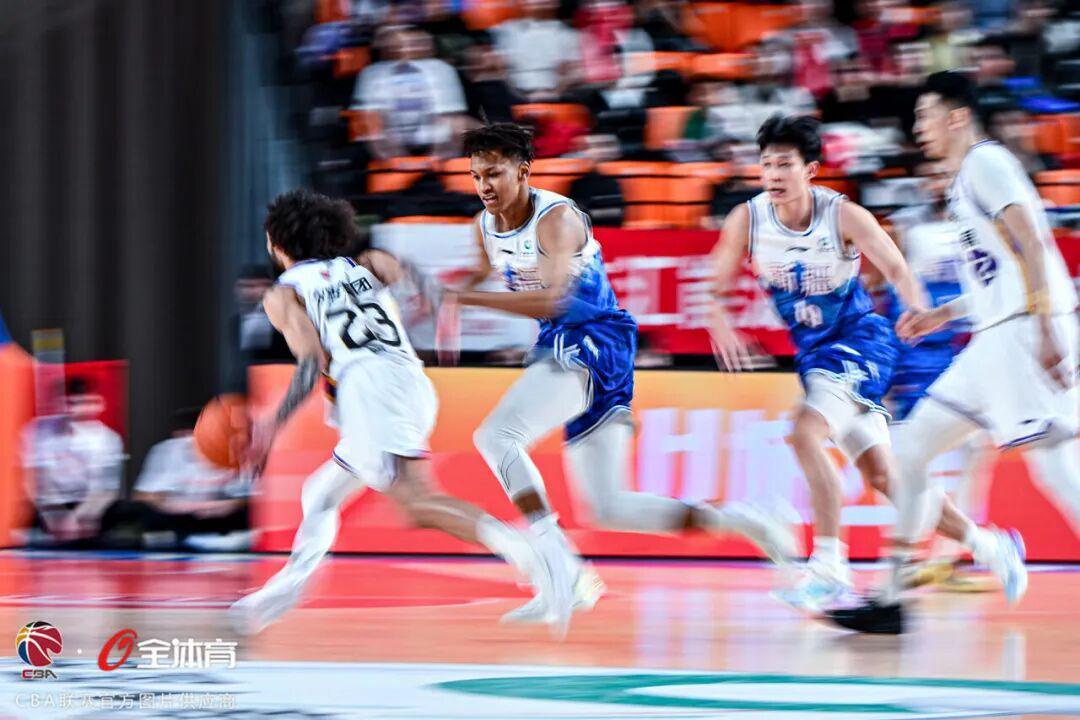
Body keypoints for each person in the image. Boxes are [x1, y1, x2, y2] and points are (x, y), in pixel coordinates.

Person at [444, 123, 796, 627]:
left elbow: (555, 299)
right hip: (569, 346)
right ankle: (748, 520)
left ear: (523, 171)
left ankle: (557, 565)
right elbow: (486, 271)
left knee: (497, 436)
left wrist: (468, 298)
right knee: (610, 507)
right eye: (476, 175)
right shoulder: (484, 225)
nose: (484, 185)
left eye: (494, 173)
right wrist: (449, 290)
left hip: (593, 339)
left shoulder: (557, 219)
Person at [228, 189, 568, 636]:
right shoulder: (368, 262)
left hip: (372, 390)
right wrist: (437, 306)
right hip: (409, 380)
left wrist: (271, 425)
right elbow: (420, 283)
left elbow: (310, 362)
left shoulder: (284, 294)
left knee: (418, 503)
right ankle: (282, 593)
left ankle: (538, 559)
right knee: (322, 494)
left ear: (276, 243)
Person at [707, 114, 989, 614]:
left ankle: (830, 568)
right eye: (766, 165)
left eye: (784, 165)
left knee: (804, 433)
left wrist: (918, 309)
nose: (773, 174)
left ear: (810, 169)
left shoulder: (842, 215)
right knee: (885, 477)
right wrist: (720, 323)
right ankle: (987, 545)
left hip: (861, 343)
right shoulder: (747, 220)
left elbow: (896, 266)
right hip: (815, 356)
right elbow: (713, 288)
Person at [829, 71, 1078, 633]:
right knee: (910, 449)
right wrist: (943, 314)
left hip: (1023, 335)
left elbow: (1033, 243)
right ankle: (891, 599)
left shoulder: (987, 163)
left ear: (957, 116)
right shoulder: (966, 179)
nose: (918, 127)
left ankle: (898, 591)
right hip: (992, 339)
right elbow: (998, 273)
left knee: (1059, 473)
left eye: (926, 115)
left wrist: (1046, 326)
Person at [21, 377, 124, 546]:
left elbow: (105, 489)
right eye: (70, 403)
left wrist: (80, 516)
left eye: (83, 403)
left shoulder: (108, 439)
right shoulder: (38, 430)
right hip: (46, 504)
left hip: (88, 505)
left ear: (98, 404)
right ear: (58, 403)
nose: (75, 410)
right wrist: (53, 515)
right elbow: (33, 479)